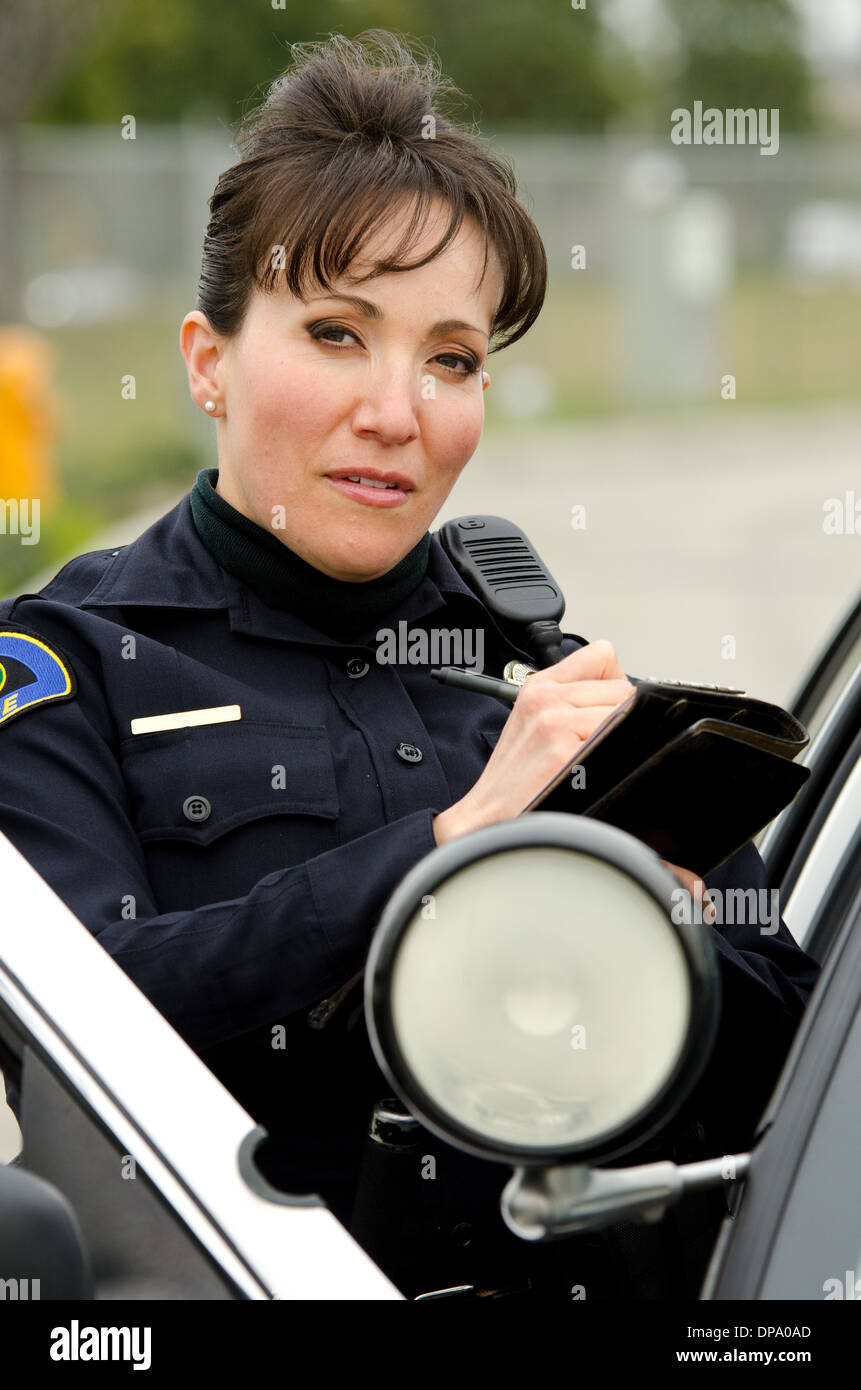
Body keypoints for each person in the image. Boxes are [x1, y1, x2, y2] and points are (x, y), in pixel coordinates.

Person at [0, 31, 818, 1299]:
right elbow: (86, 1028)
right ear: (208, 362)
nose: (398, 412)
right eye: (336, 333)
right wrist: (455, 849)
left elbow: (799, 1050)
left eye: (451, 358)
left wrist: (640, 923)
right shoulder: (66, 663)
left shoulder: (544, 674)